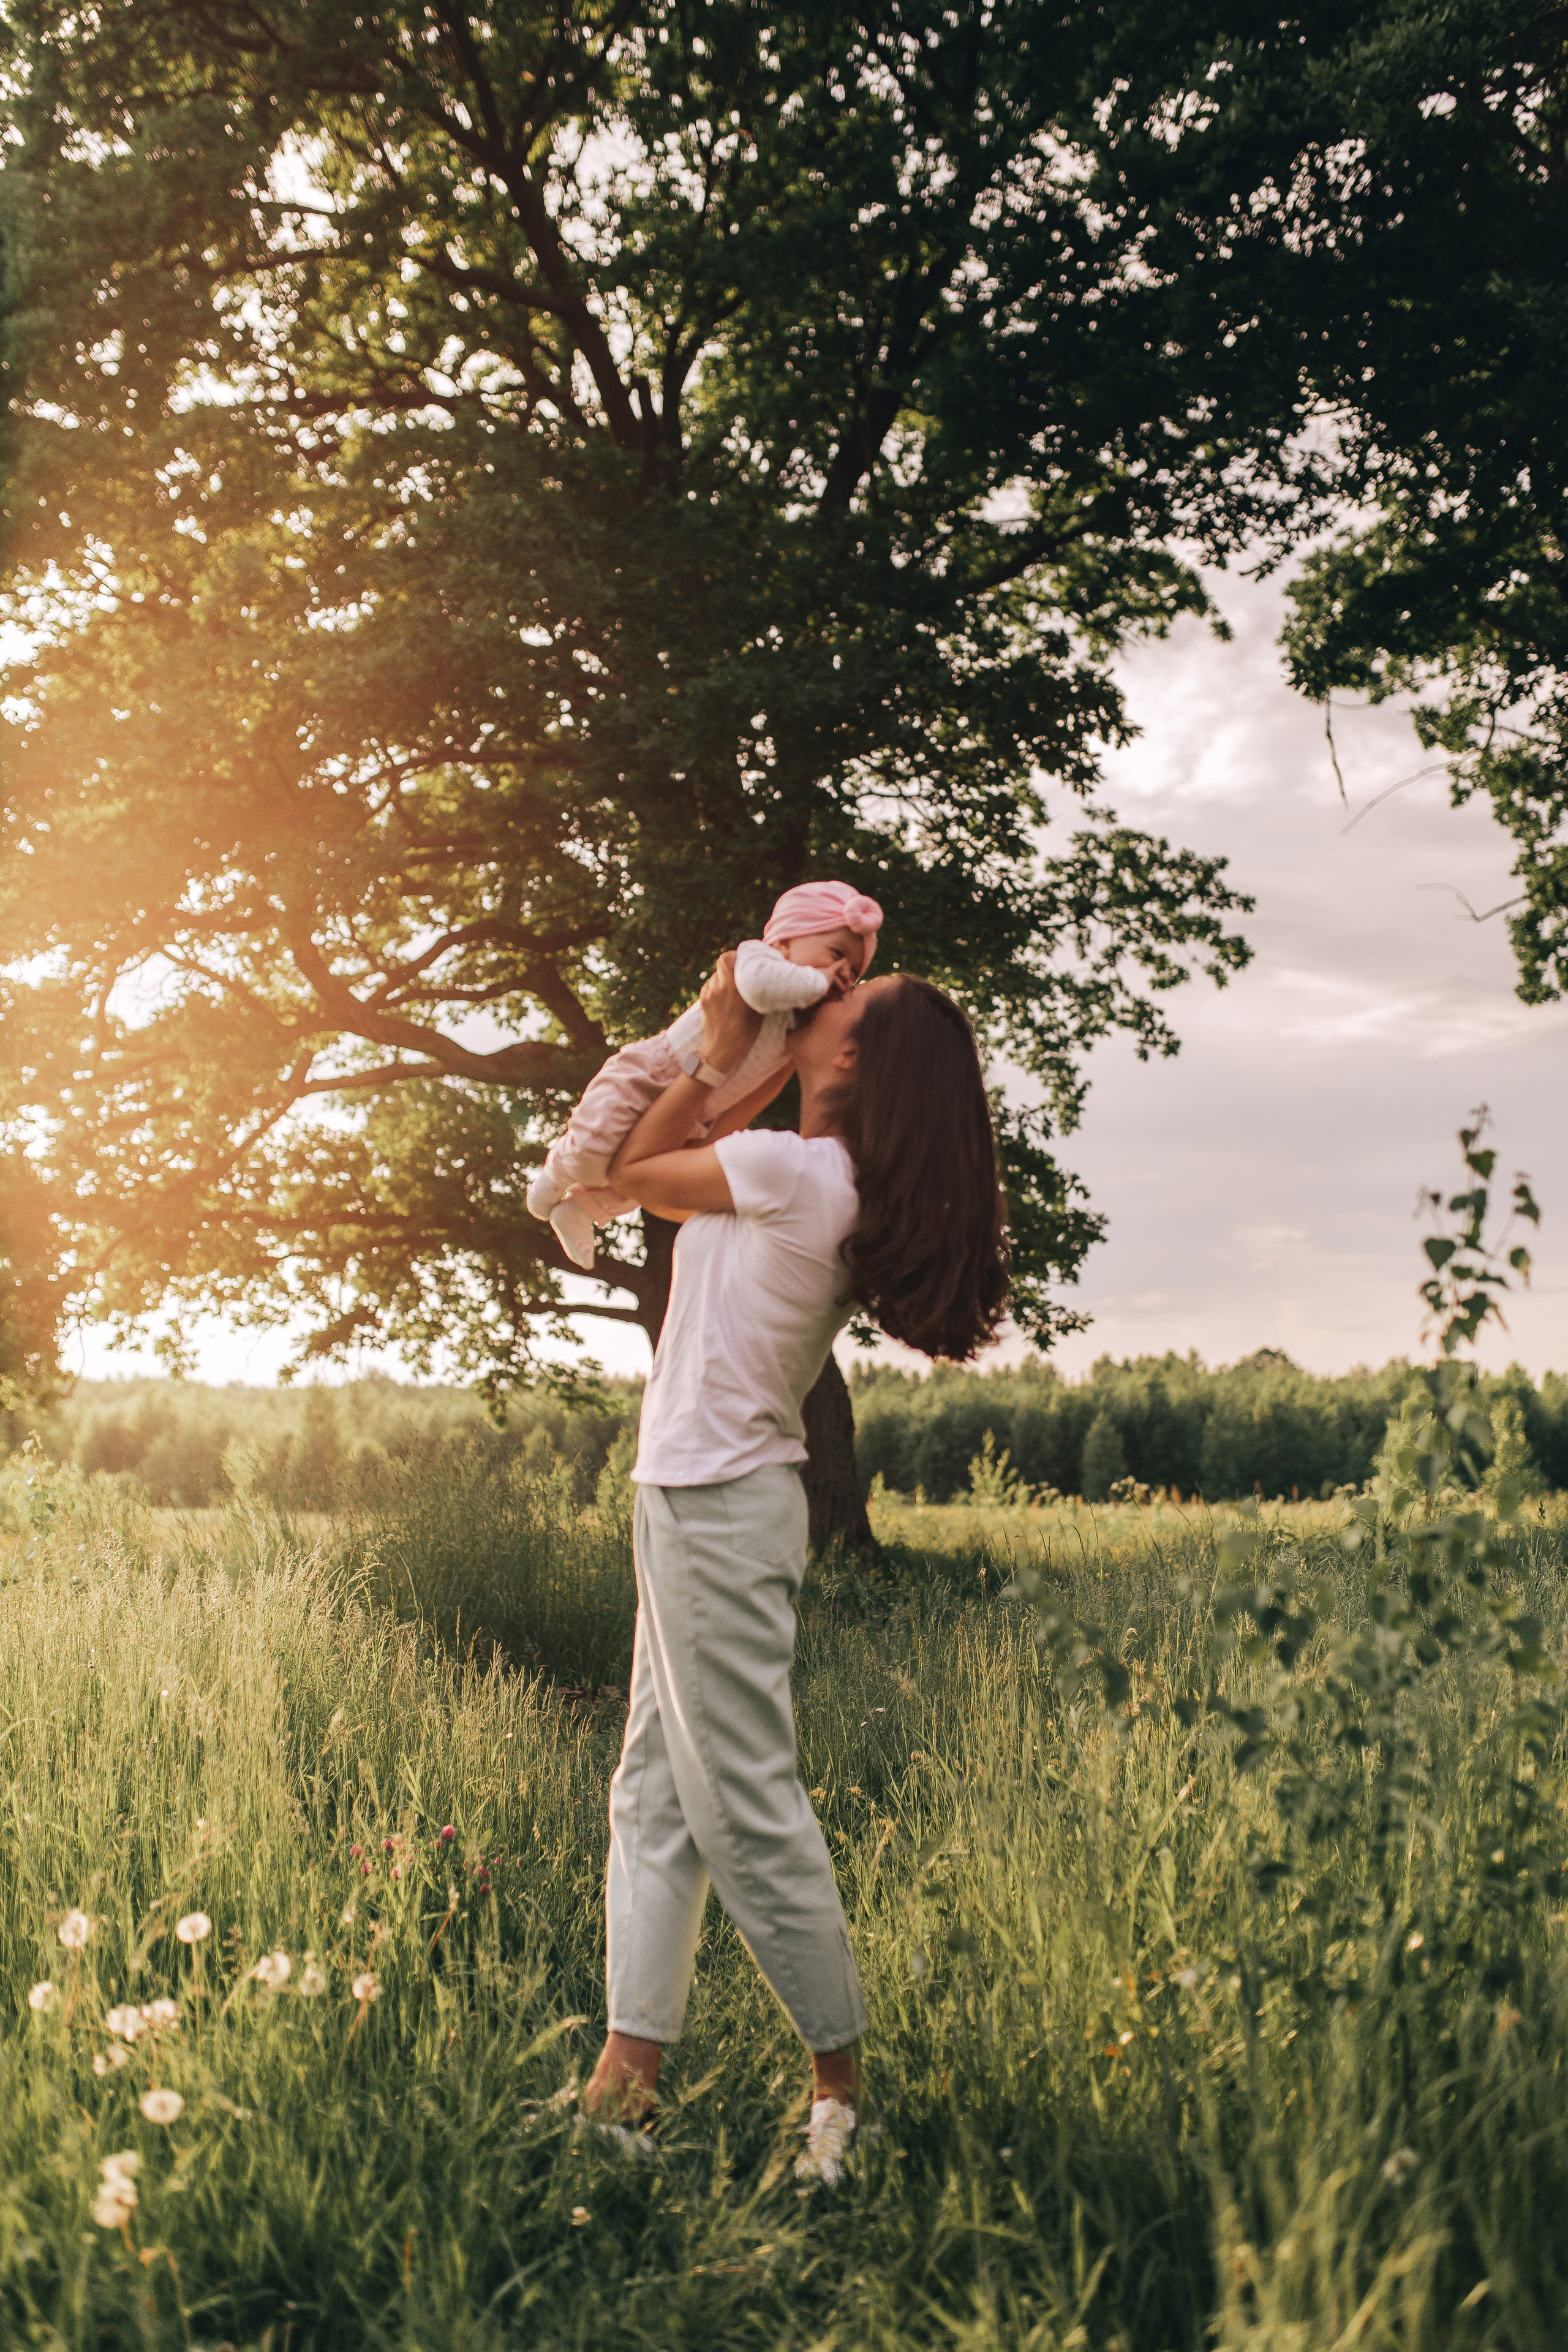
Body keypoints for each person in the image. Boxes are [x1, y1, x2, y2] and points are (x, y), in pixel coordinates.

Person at [579, 949, 1009, 2185]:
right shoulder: (811, 1173)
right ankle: (624, 2084)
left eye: (838, 1009)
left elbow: (627, 1175)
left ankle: (840, 2097)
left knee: (740, 1805)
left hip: (713, 1502)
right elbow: (674, 1169)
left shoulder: (791, 1169)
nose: (814, 1008)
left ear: (851, 1062)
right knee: (656, 1798)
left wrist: (716, 1052)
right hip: (704, 1494)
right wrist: (744, 1062)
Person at [525, 880, 884, 1268]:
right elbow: (761, 991)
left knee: (626, 1183)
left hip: (702, 1107)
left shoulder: (794, 1029)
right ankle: (553, 1178)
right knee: (592, 1151)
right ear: (784, 941)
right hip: (656, 1072)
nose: (841, 975)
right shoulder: (761, 961)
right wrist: (818, 982)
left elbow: (646, 1180)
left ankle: (582, 1207)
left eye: (853, 972)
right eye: (835, 955)